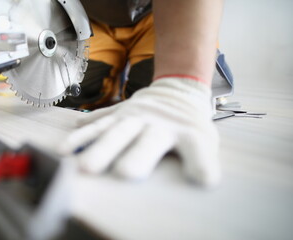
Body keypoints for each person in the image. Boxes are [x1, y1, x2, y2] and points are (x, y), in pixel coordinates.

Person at [59, 0, 224, 187]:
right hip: (89, 17)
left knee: (145, 91)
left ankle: (207, 64)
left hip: (164, 17)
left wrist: (182, 82)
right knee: (66, 89)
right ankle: (115, 70)